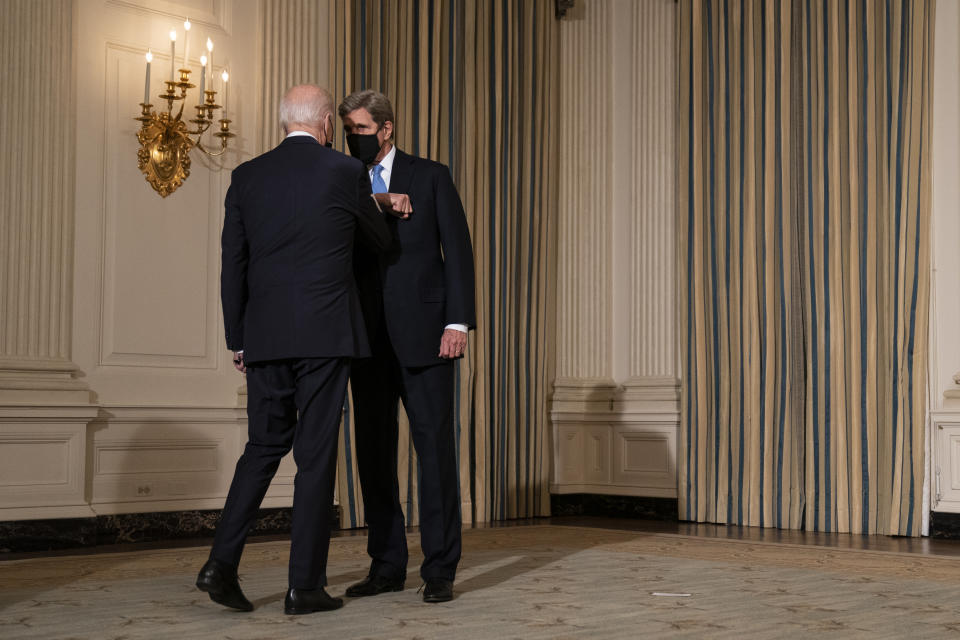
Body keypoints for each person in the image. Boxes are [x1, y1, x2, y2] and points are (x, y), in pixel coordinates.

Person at [196, 84, 392, 615]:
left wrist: (239, 338)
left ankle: (220, 563)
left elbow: (231, 264)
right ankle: (303, 586)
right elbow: (379, 241)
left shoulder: (247, 176)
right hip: (325, 335)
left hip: (264, 336)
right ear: (326, 122)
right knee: (314, 456)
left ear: (285, 121)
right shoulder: (344, 173)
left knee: (263, 447)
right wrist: (380, 202)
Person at [338, 90, 476, 604]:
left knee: (434, 455)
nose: (354, 138)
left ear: (387, 128)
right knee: (373, 456)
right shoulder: (345, 180)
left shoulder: (432, 175)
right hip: (365, 341)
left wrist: (457, 322)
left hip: (427, 338)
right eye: (348, 130)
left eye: (361, 128)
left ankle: (440, 568)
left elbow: (456, 251)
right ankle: (386, 565)